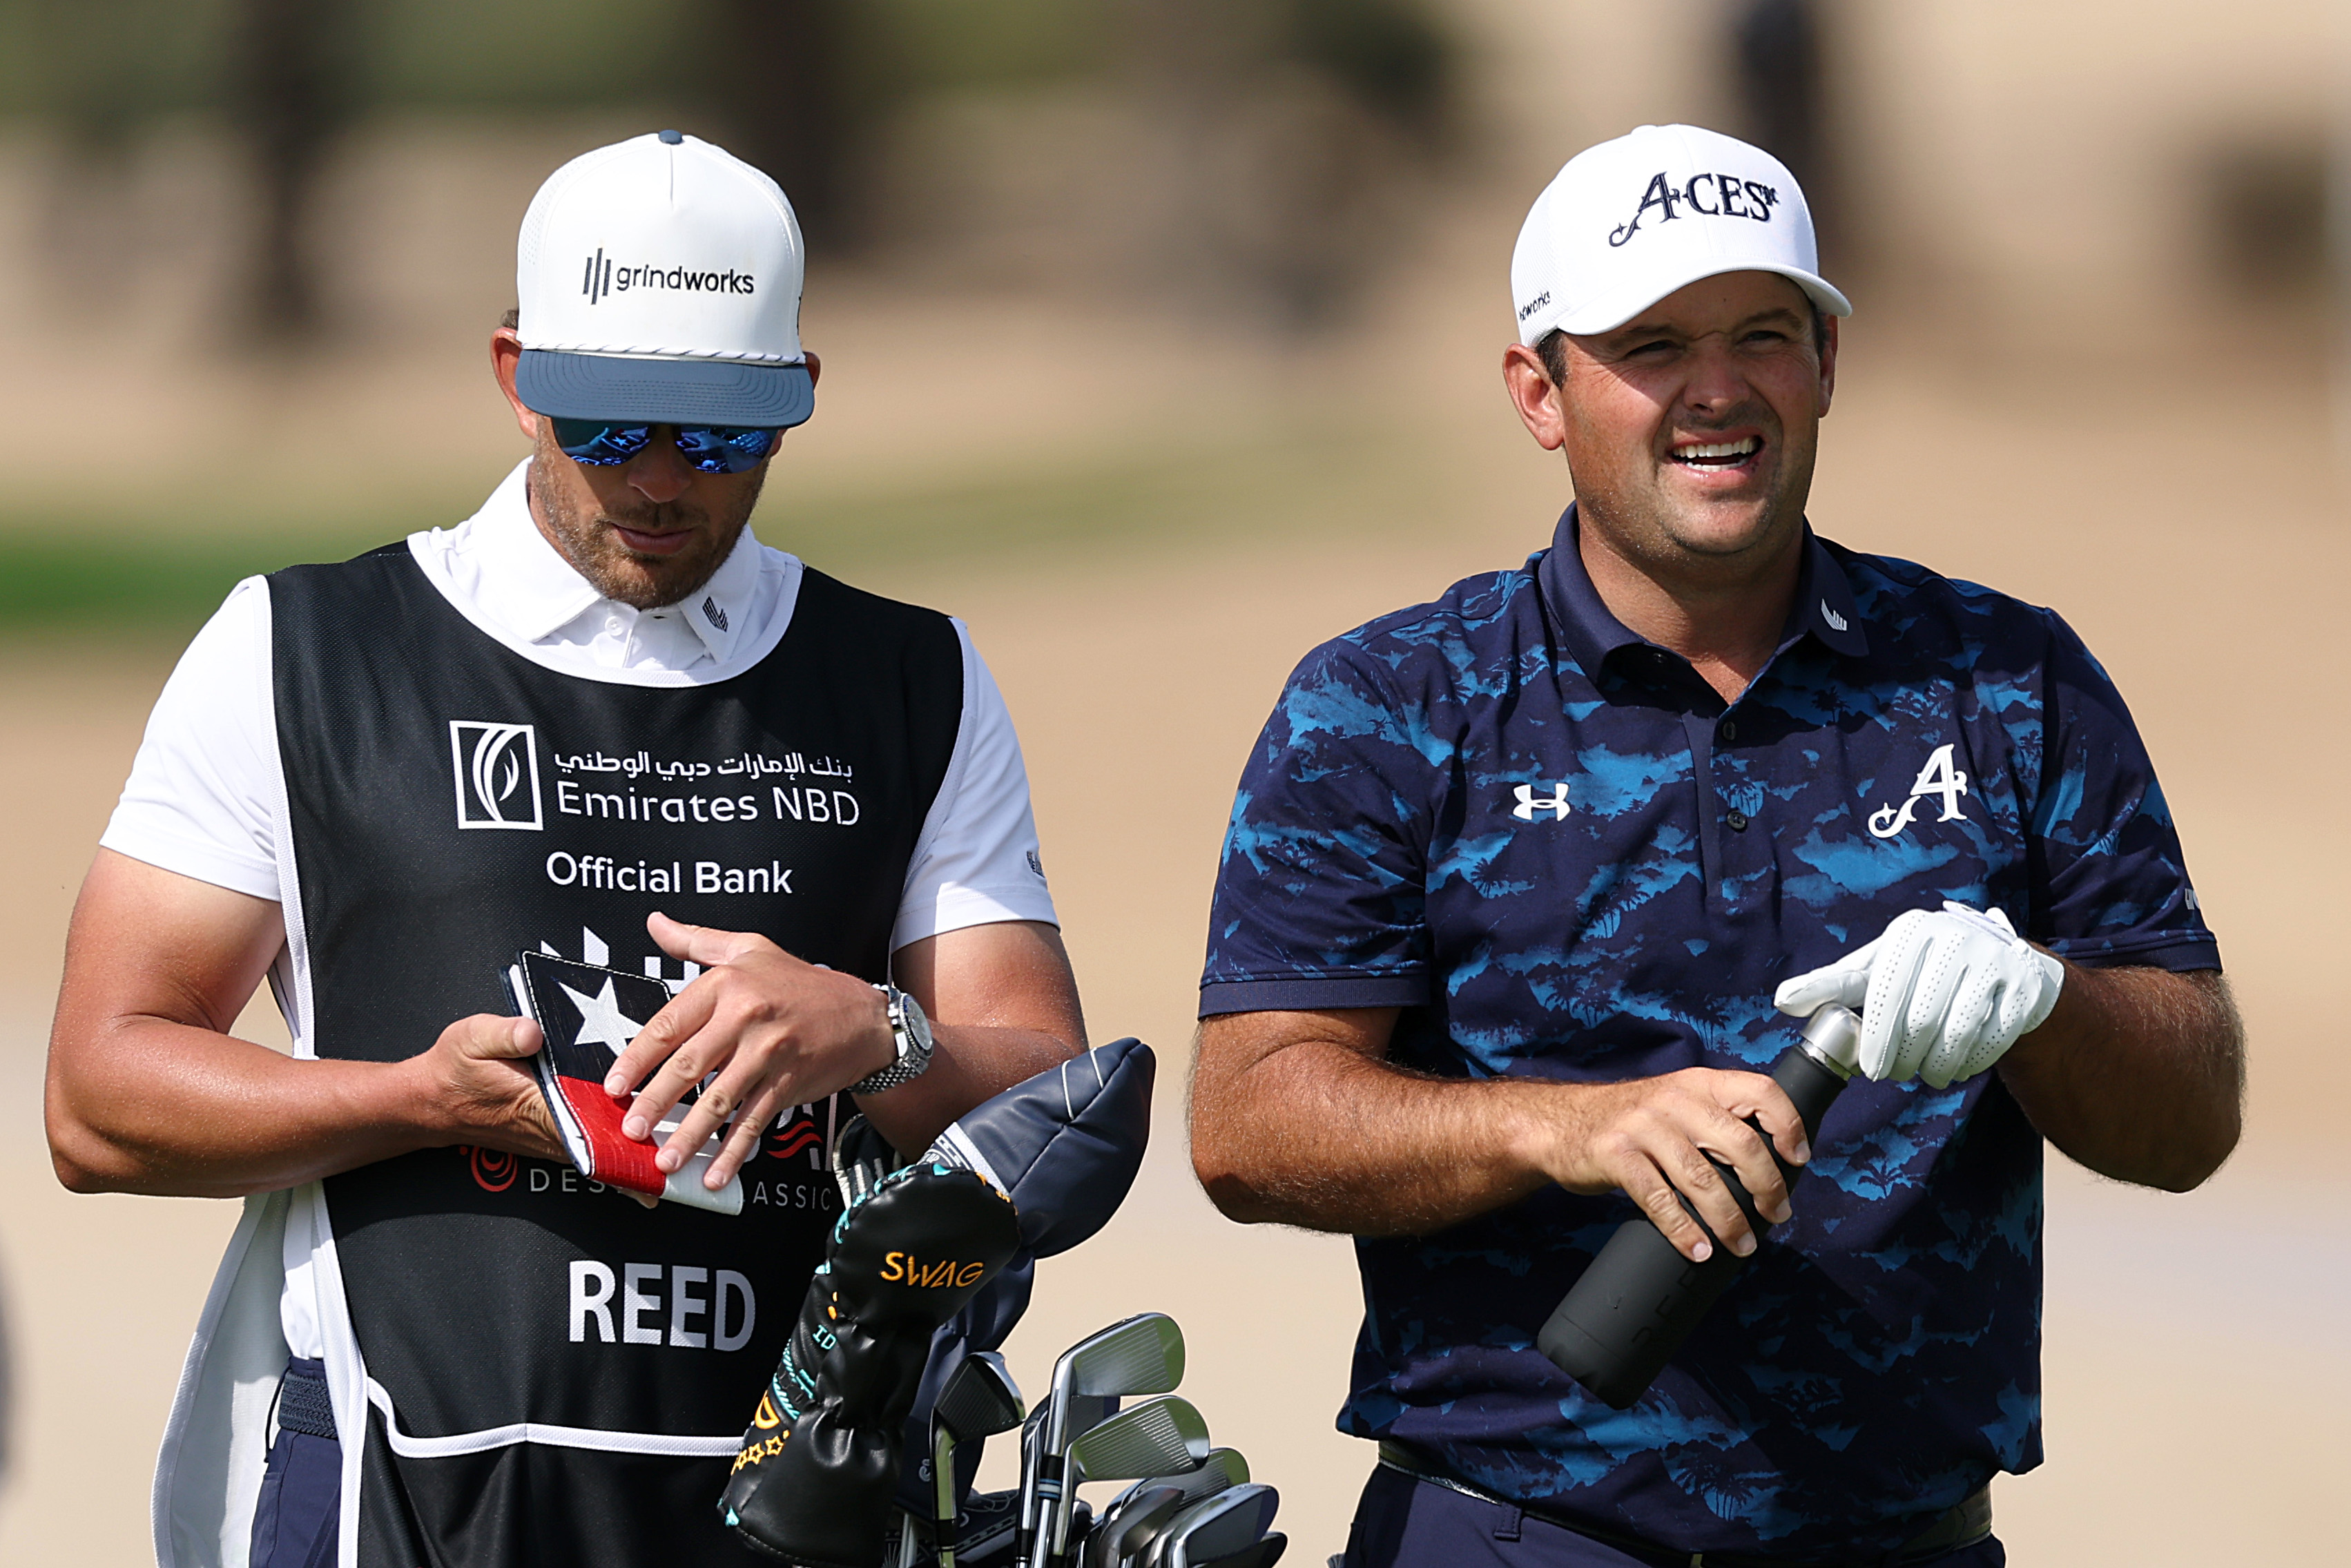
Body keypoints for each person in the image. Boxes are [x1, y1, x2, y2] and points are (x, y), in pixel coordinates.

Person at [1189, 123, 2243, 1567]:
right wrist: (1551, 1126)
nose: (1714, 386)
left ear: (1824, 364)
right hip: (1509, 1530)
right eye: (1649, 342)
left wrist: (2048, 1009)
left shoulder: (2005, 678)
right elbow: (1248, 1123)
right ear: (1538, 391)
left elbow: (2188, 1118)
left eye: (1762, 331)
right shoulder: (1389, 702)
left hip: (1904, 1538)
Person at [46, 130, 1083, 1568]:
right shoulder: (305, 648)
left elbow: (1055, 1101)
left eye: (718, 435)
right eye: (607, 422)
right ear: (511, 375)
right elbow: (98, 1096)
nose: (661, 482)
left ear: (799, 398)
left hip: (795, 1502)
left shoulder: (915, 676)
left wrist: (876, 1031)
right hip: (393, 1487)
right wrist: (418, 1099)